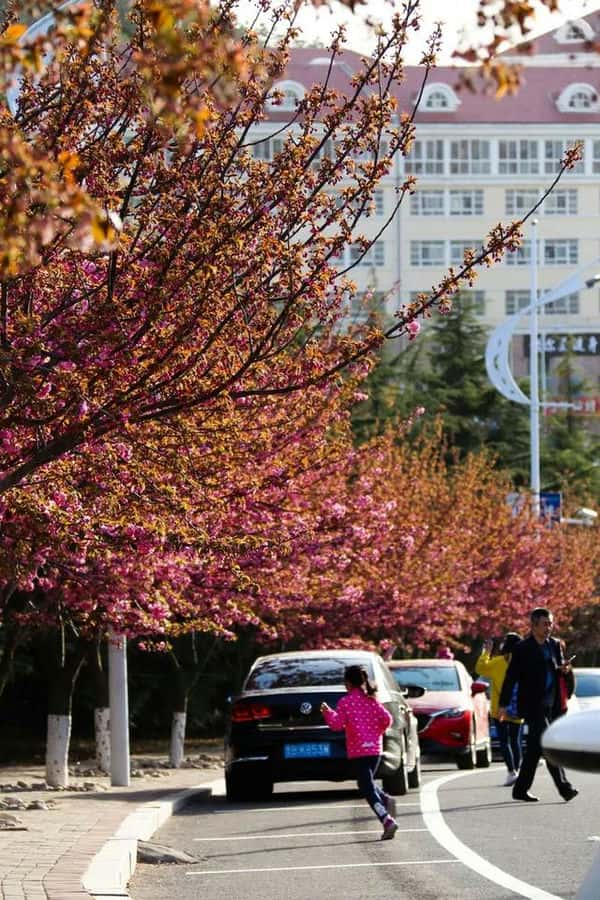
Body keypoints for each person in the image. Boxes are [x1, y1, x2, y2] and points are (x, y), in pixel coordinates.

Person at [498, 607, 578, 803]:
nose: (549, 627)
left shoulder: (555, 645)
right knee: (549, 743)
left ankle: (520, 789)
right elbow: (511, 677)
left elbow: (558, 669)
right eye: (545, 624)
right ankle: (564, 788)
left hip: (552, 704)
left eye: (551, 623)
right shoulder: (523, 648)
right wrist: (503, 704)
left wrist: (565, 670)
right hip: (532, 705)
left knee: (535, 749)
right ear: (533, 626)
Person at [320, 665, 399, 840]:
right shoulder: (372, 700)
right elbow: (387, 719)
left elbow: (336, 725)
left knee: (366, 787)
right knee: (367, 783)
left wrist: (327, 713)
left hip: (358, 751)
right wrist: (376, 732)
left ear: (347, 683)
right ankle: (386, 800)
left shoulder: (345, 703)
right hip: (374, 750)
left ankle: (386, 819)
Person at [475, 633, 524, 786]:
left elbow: (480, 668)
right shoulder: (525, 663)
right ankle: (517, 769)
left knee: (504, 741)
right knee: (516, 741)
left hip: (499, 708)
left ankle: (511, 771)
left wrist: (487, 652)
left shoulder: (498, 662)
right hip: (518, 707)